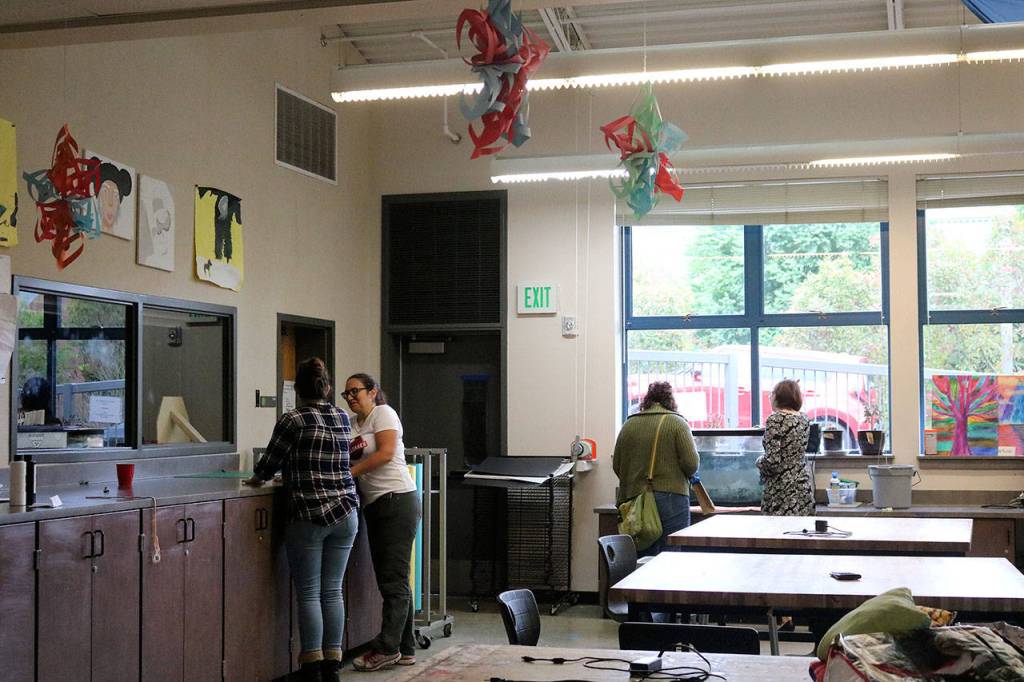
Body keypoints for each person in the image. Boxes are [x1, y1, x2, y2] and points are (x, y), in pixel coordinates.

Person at [246, 358, 359, 682]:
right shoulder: (341, 417)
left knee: (309, 593)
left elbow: (269, 463)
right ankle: (333, 666)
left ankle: (312, 666)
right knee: (332, 591)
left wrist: (256, 480)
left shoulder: (292, 419)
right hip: (346, 511)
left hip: (309, 514)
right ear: (327, 387)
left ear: (297, 390)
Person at [343, 373, 420, 672]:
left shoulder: (383, 413)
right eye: (346, 393)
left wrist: (350, 473)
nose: (350, 397)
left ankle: (386, 648)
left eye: (356, 391)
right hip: (376, 504)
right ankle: (406, 647)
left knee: (393, 580)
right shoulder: (352, 424)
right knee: (395, 578)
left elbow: (387, 453)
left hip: (397, 500)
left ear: (373, 392)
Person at [613, 381, 700, 556]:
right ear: (670, 401)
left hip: (633, 500)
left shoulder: (628, 425)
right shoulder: (677, 423)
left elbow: (617, 465)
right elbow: (691, 464)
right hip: (671, 499)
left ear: (647, 400)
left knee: (641, 555)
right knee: (670, 555)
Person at [757, 379, 814, 516]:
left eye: (772, 393)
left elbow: (773, 461)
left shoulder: (775, 419)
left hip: (782, 490)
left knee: (778, 534)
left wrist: (759, 462)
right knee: (801, 533)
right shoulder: (804, 419)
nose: (770, 397)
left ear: (778, 396)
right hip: (802, 486)